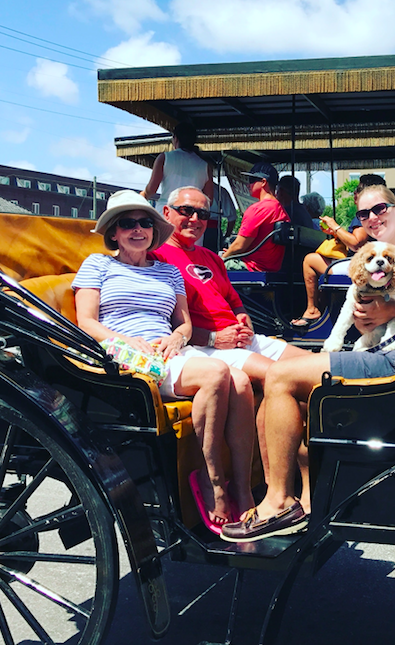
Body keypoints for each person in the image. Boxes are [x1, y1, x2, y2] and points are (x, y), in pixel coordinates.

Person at [221, 165, 395, 542]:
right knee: (287, 369)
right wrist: (373, 309)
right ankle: (304, 499)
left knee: (280, 377)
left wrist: (392, 311)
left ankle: (277, 502)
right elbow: (382, 256)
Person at [72, 190, 254, 534]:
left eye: (144, 223)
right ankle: (209, 479)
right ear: (113, 232)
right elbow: (87, 322)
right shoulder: (98, 265)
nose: (137, 229)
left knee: (242, 382)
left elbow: (183, 322)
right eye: (127, 224)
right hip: (126, 357)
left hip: (170, 350)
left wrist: (177, 337)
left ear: (154, 230)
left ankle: (242, 488)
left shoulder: (168, 272)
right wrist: (129, 342)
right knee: (217, 373)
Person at [151, 186, 312, 385]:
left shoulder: (212, 258)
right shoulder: (155, 259)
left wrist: (243, 319)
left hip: (240, 341)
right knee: (288, 377)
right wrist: (213, 339)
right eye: (186, 210)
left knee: (313, 366)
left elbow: (235, 303)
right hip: (205, 349)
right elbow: (165, 324)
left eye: (202, 214)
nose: (194, 219)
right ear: (167, 212)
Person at [289, 174, 384, 329]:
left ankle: (312, 310)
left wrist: (335, 226)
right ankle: (325, 307)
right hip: (375, 262)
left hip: (362, 265)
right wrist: (336, 233)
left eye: (357, 191)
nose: (354, 195)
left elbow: (356, 243)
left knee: (310, 260)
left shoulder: (364, 213)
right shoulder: (381, 211)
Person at [222, 162, 290, 272]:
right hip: (271, 270)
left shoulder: (257, 209)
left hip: (251, 268)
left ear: (263, 182)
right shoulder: (282, 211)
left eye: (252, 181)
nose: (248, 185)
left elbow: (239, 246)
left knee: (208, 266)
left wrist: (222, 258)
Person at [141, 122, 214, 207]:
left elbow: (151, 189)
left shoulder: (165, 158)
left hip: (166, 210)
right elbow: (209, 200)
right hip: (191, 213)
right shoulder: (205, 166)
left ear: (175, 139)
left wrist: (142, 195)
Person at [204, 184, 238, 252]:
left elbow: (232, 216)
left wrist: (226, 236)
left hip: (211, 231)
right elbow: (232, 216)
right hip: (211, 231)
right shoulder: (220, 190)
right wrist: (226, 236)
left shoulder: (220, 190)